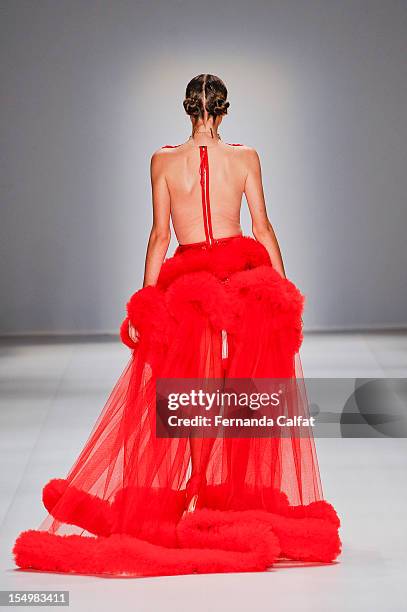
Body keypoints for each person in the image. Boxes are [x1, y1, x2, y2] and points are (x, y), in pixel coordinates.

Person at [13, 74, 340, 577]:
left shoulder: (162, 160)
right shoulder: (246, 157)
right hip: (241, 283)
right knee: (244, 390)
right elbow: (263, 227)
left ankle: (197, 499)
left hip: (188, 287)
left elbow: (159, 236)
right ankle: (221, 498)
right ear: (224, 110)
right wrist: (283, 293)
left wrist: (145, 303)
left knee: (188, 391)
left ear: (187, 110)